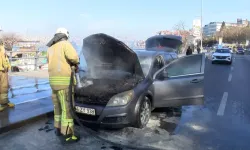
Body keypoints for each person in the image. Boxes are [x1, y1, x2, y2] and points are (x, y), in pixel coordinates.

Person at [46, 28, 80, 143]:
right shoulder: (65, 44)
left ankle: (58, 128)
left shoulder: (50, 48)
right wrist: (75, 64)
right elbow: (74, 57)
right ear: (65, 36)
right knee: (67, 109)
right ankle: (68, 134)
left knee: (58, 108)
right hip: (65, 83)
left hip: (53, 83)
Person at [0, 39, 15, 112]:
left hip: (3, 70)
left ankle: (4, 102)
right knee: (3, 87)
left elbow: (5, 58)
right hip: (2, 69)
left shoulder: (2, 47)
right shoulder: (1, 47)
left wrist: (7, 66)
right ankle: (4, 103)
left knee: (4, 87)